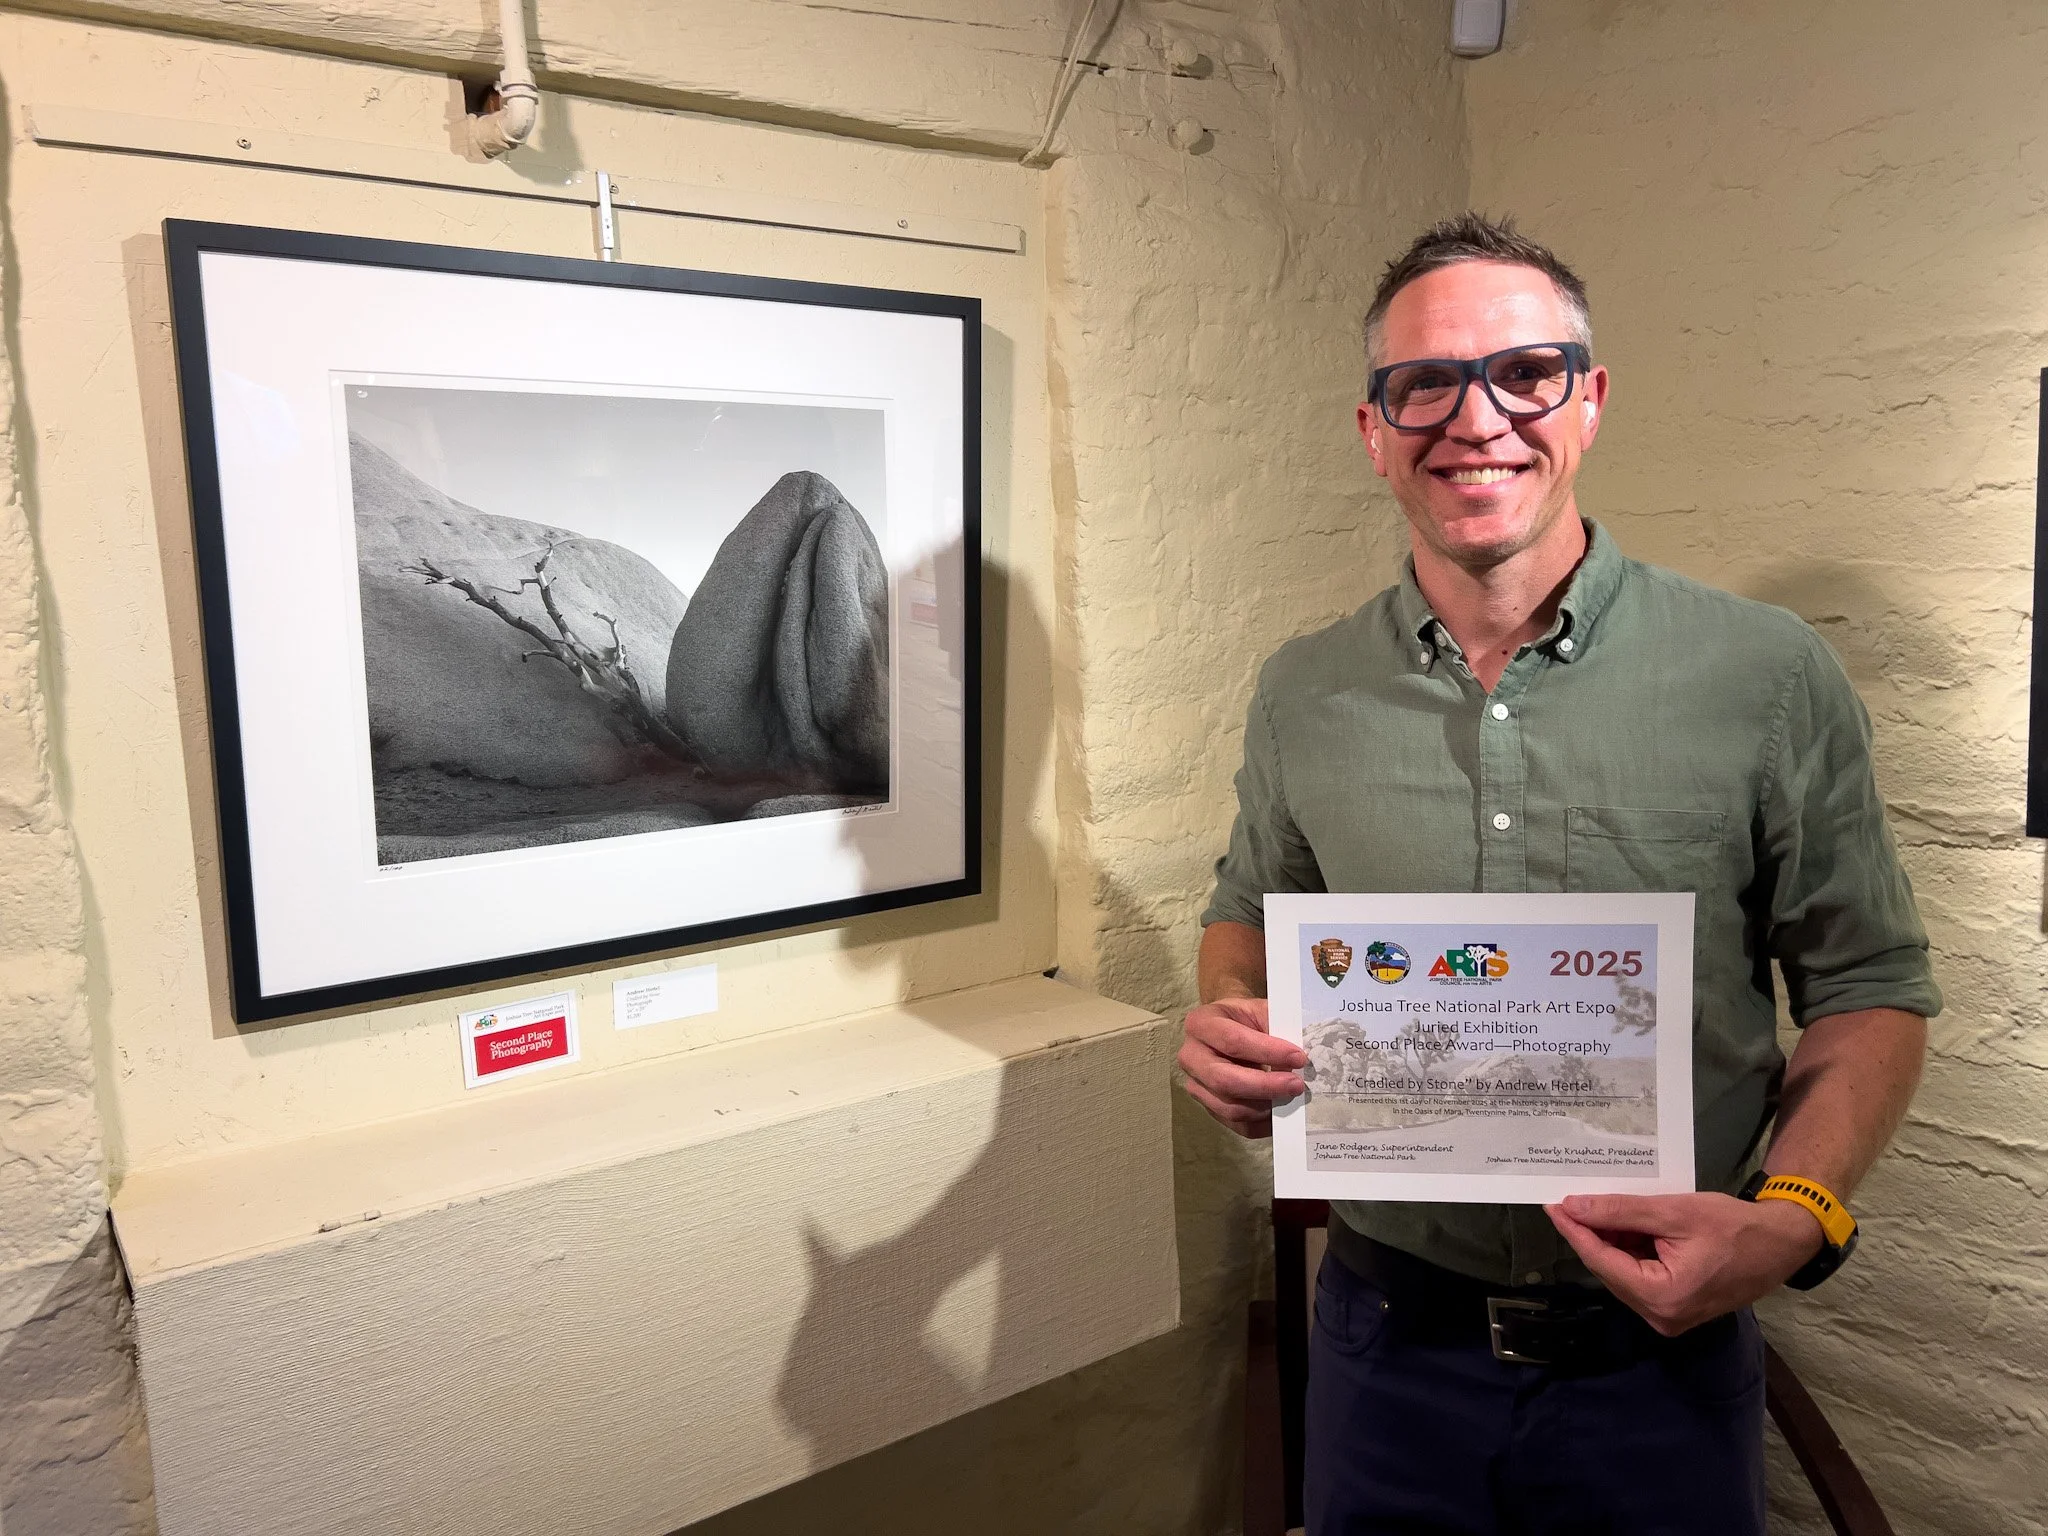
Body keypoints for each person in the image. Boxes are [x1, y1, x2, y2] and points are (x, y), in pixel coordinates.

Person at [1179, 213, 1938, 1535]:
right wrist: (1231, 1019)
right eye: (1426, 382)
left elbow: (1868, 982)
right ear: (1374, 429)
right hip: (1386, 1351)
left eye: (1525, 373)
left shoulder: (1765, 676)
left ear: (1587, 401)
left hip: (1657, 1364)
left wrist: (1797, 1215)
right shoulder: (1302, 691)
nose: (1478, 419)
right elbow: (1247, 909)